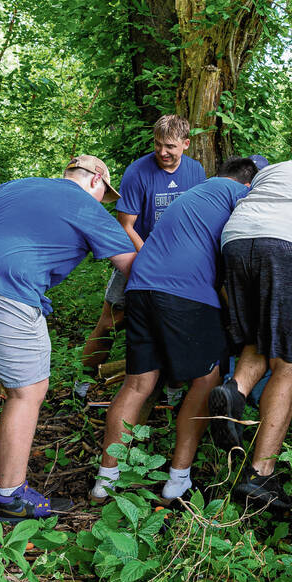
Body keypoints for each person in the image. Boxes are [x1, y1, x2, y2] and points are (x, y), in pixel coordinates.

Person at [0, 156, 137, 521]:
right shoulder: (86, 205)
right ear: (96, 180)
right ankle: (11, 497)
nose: (102, 202)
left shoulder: (19, 185)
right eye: (104, 194)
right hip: (2, 288)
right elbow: (132, 266)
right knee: (28, 391)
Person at [89, 158, 260, 504]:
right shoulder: (239, 195)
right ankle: (178, 479)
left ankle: (105, 480)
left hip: (140, 287)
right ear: (247, 184)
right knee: (207, 379)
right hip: (184, 292)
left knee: (138, 384)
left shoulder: (196, 193)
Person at [210, 153, 292, 511]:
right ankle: (261, 474)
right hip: (289, 244)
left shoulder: (276, 171)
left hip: (236, 240)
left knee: (257, 340)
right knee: (289, 361)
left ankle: (234, 391)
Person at [75, 115, 206, 398]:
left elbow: (197, 217)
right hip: (138, 255)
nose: (162, 152)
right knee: (111, 321)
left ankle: (173, 390)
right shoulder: (138, 171)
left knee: (176, 322)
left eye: (170, 146)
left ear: (185, 144)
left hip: (181, 262)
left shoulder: (196, 171)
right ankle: (83, 380)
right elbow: (126, 225)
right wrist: (151, 261)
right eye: (158, 144)